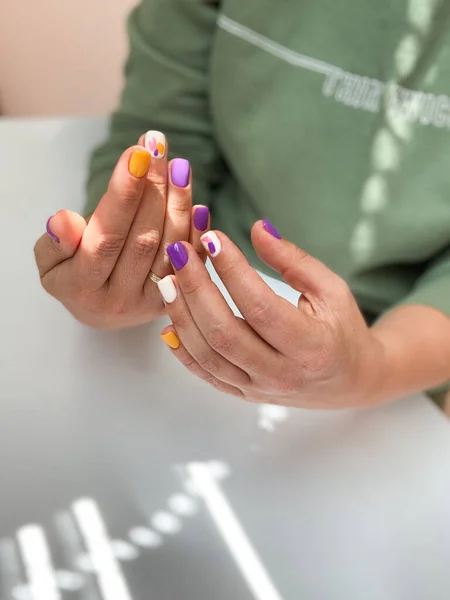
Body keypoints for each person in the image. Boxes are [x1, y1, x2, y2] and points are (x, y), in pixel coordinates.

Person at [34, 0, 450, 409]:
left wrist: (372, 370)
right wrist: (120, 270)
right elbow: (168, 124)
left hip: (406, 357)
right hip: (186, 312)